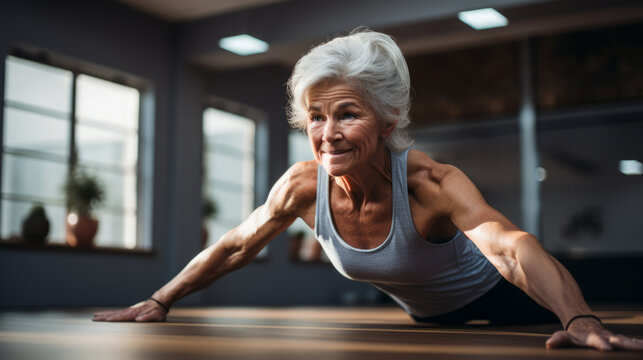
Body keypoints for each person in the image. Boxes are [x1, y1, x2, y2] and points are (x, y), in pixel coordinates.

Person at [94, 29, 643, 352]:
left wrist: (577, 318)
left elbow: (510, 248)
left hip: (509, 300)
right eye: (315, 116)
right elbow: (237, 243)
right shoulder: (303, 187)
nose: (326, 134)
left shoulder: (430, 182)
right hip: (429, 320)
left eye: (347, 114)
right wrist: (160, 299)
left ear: (388, 120)